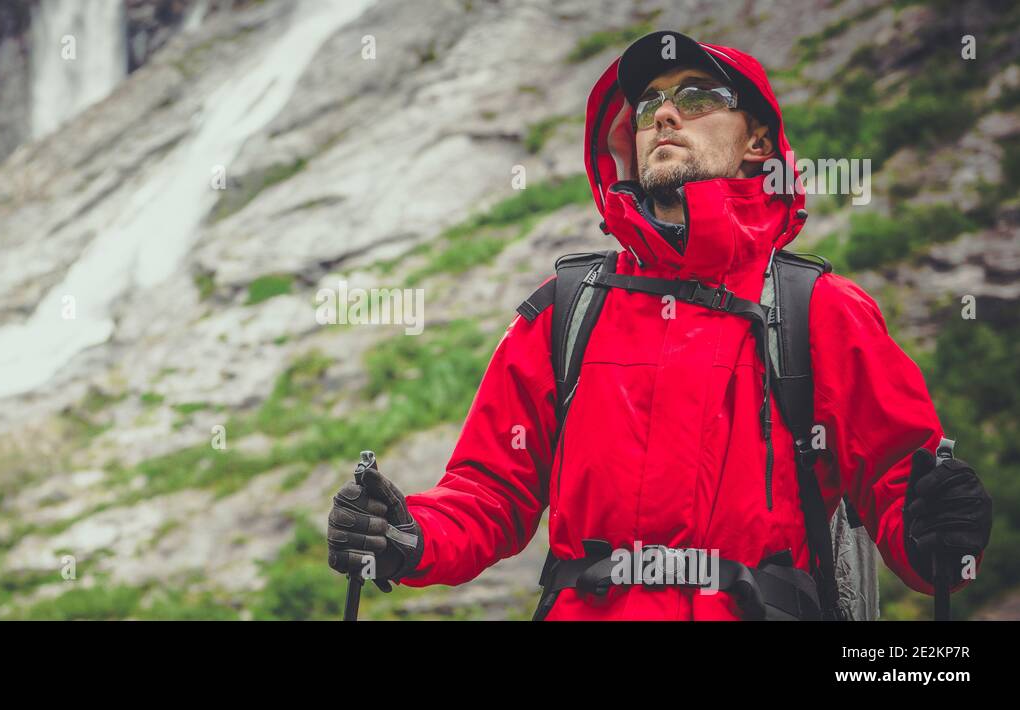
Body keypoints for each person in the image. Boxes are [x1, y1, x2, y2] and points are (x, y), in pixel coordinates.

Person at [326, 31, 992, 620]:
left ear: (758, 140)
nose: (664, 114)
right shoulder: (565, 308)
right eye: (647, 107)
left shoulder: (820, 308)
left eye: (698, 97)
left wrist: (938, 530)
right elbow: (488, 494)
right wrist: (407, 535)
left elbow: (903, 486)